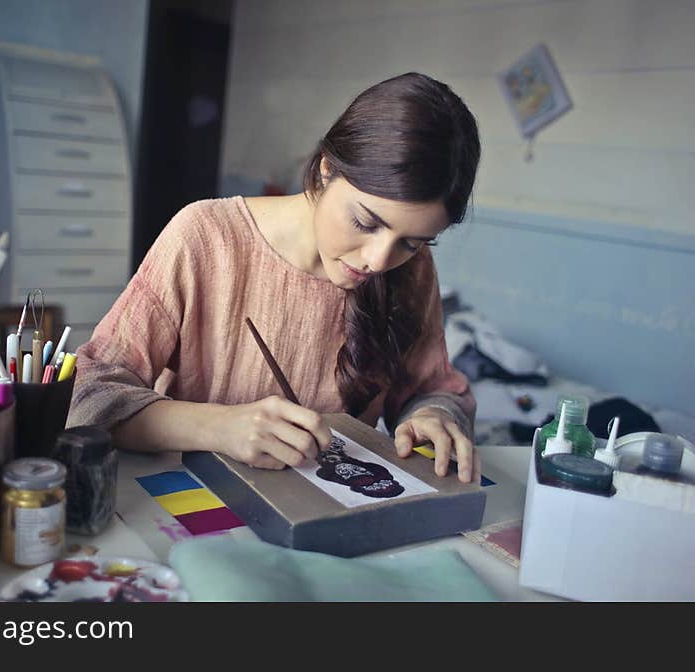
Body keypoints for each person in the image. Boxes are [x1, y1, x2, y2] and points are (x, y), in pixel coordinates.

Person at [68, 72, 482, 483]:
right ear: (325, 170)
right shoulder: (205, 237)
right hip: (191, 503)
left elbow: (433, 388)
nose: (378, 259)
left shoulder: (410, 267)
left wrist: (434, 414)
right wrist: (219, 427)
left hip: (329, 519)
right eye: (364, 221)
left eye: (412, 242)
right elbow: (90, 395)